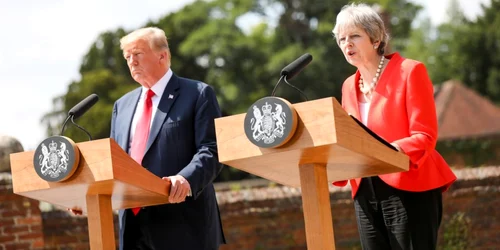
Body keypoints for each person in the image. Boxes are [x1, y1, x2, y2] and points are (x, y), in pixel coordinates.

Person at [331, 3, 456, 250]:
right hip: (365, 190)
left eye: (355, 36)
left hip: (409, 184)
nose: (347, 44)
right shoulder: (348, 86)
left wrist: (386, 151)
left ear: (376, 39)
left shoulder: (409, 71)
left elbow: (425, 136)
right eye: (342, 38)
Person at [112, 27, 225, 249]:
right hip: (133, 227)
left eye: (137, 54)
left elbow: (212, 149)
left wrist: (185, 179)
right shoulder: (121, 106)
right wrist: (85, 197)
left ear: (162, 55)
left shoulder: (198, 94)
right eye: (127, 57)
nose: (131, 62)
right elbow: (115, 162)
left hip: (182, 223)